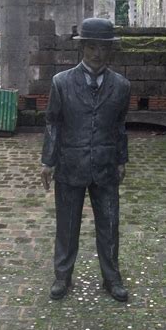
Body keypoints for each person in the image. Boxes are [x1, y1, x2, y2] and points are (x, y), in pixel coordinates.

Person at [41, 17, 131, 302]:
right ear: (82, 48)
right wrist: (48, 161)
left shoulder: (121, 86)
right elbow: (53, 123)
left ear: (110, 50)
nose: (97, 53)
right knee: (67, 226)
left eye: (103, 48)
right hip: (70, 165)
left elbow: (120, 125)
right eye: (91, 47)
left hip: (105, 165)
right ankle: (62, 276)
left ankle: (111, 277)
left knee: (110, 224)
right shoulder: (62, 83)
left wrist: (121, 159)